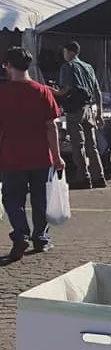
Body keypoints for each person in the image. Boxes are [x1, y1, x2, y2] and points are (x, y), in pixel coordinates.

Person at [0, 47, 66, 261]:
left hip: (10, 156)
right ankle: (41, 238)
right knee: (41, 200)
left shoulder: (3, 93)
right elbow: (51, 126)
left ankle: (21, 233)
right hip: (40, 156)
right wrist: (57, 156)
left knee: (12, 199)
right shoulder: (42, 91)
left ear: (8, 65)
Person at [53, 41, 107, 189]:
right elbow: (98, 91)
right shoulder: (88, 67)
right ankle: (99, 176)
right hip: (90, 108)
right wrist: (100, 113)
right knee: (92, 145)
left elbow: (66, 89)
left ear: (68, 51)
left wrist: (52, 91)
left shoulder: (67, 67)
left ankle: (83, 177)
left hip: (75, 109)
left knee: (78, 145)